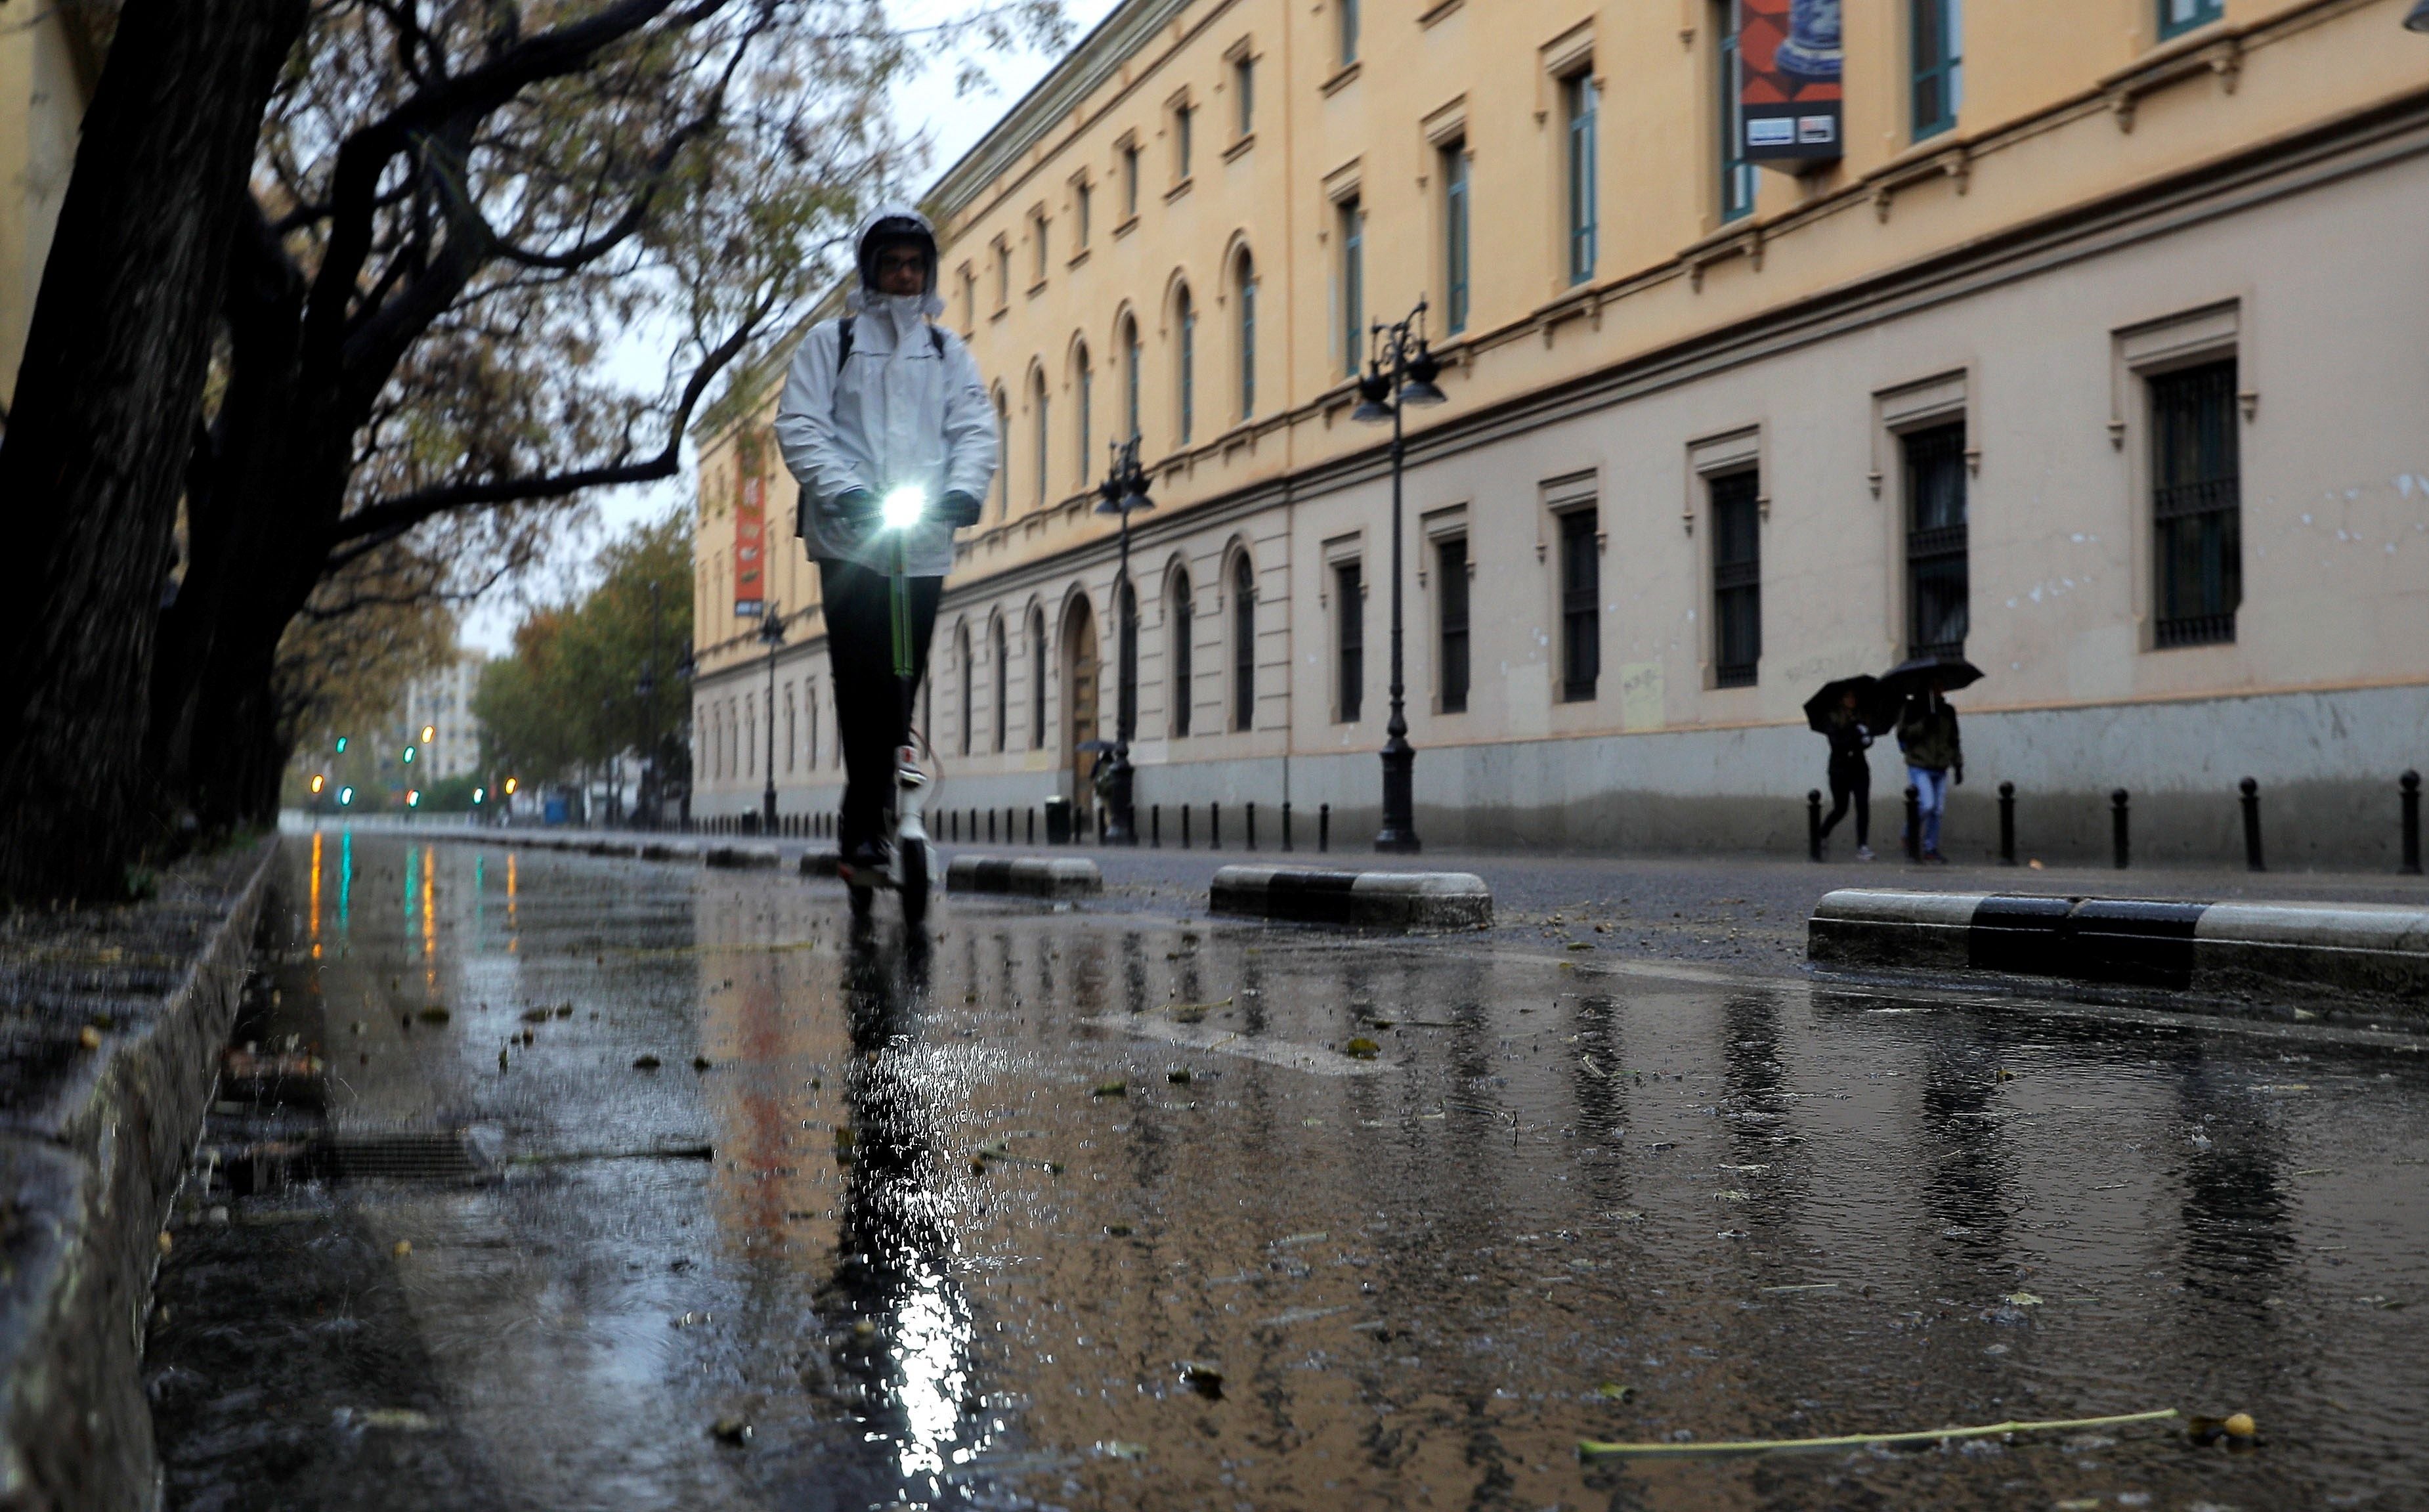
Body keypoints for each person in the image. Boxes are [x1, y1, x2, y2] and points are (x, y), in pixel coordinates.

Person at [773, 205, 999, 880]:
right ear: (871, 270)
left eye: (913, 264)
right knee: (862, 681)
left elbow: (975, 429)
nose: (903, 275)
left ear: (926, 273)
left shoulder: (946, 352)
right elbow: (800, 425)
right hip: (850, 539)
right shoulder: (830, 342)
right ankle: (861, 821)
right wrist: (844, 490)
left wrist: (963, 489)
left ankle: (893, 812)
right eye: (891, 263)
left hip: (922, 539)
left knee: (904, 679)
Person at [1897, 681, 1963, 863]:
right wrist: (1924, 723)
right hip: (1919, 763)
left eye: (1941, 686)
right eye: (1935, 687)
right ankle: (1908, 834)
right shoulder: (1912, 708)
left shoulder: (1947, 710)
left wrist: (1958, 764)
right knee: (1927, 804)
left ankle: (1930, 847)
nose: (1939, 690)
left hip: (1940, 765)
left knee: (1937, 810)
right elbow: (1903, 735)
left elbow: (1954, 739)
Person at [1816, 688, 1874, 860]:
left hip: (1859, 768)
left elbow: (1865, 741)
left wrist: (1866, 738)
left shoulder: (1860, 717)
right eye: (1848, 696)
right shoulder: (1833, 719)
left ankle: (1862, 845)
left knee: (1863, 805)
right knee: (1841, 808)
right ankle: (1822, 833)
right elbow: (1837, 743)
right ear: (1841, 699)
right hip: (1840, 769)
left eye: (1854, 697)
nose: (1852, 700)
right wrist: (1854, 731)